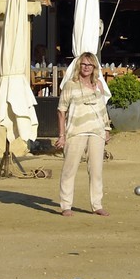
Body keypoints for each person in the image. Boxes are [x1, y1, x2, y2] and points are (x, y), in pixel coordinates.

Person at [57, 52, 110, 217]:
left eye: (90, 65)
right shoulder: (70, 85)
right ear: (79, 66)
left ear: (95, 67)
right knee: (69, 169)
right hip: (76, 130)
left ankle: (97, 204)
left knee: (96, 170)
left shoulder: (99, 85)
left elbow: (103, 109)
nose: (86, 68)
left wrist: (107, 129)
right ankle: (66, 205)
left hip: (97, 130)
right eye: (84, 64)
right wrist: (62, 135)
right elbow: (61, 111)